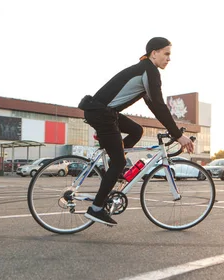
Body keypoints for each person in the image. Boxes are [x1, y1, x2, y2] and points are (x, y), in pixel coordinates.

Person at [78, 37, 194, 226]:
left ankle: (115, 164)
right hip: (102, 114)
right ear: (154, 53)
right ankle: (96, 208)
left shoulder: (145, 70)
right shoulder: (149, 70)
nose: (169, 59)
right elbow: (158, 105)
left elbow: (154, 106)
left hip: (104, 113)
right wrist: (178, 135)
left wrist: (172, 130)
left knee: (136, 130)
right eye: (166, 54)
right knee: (118, 162)